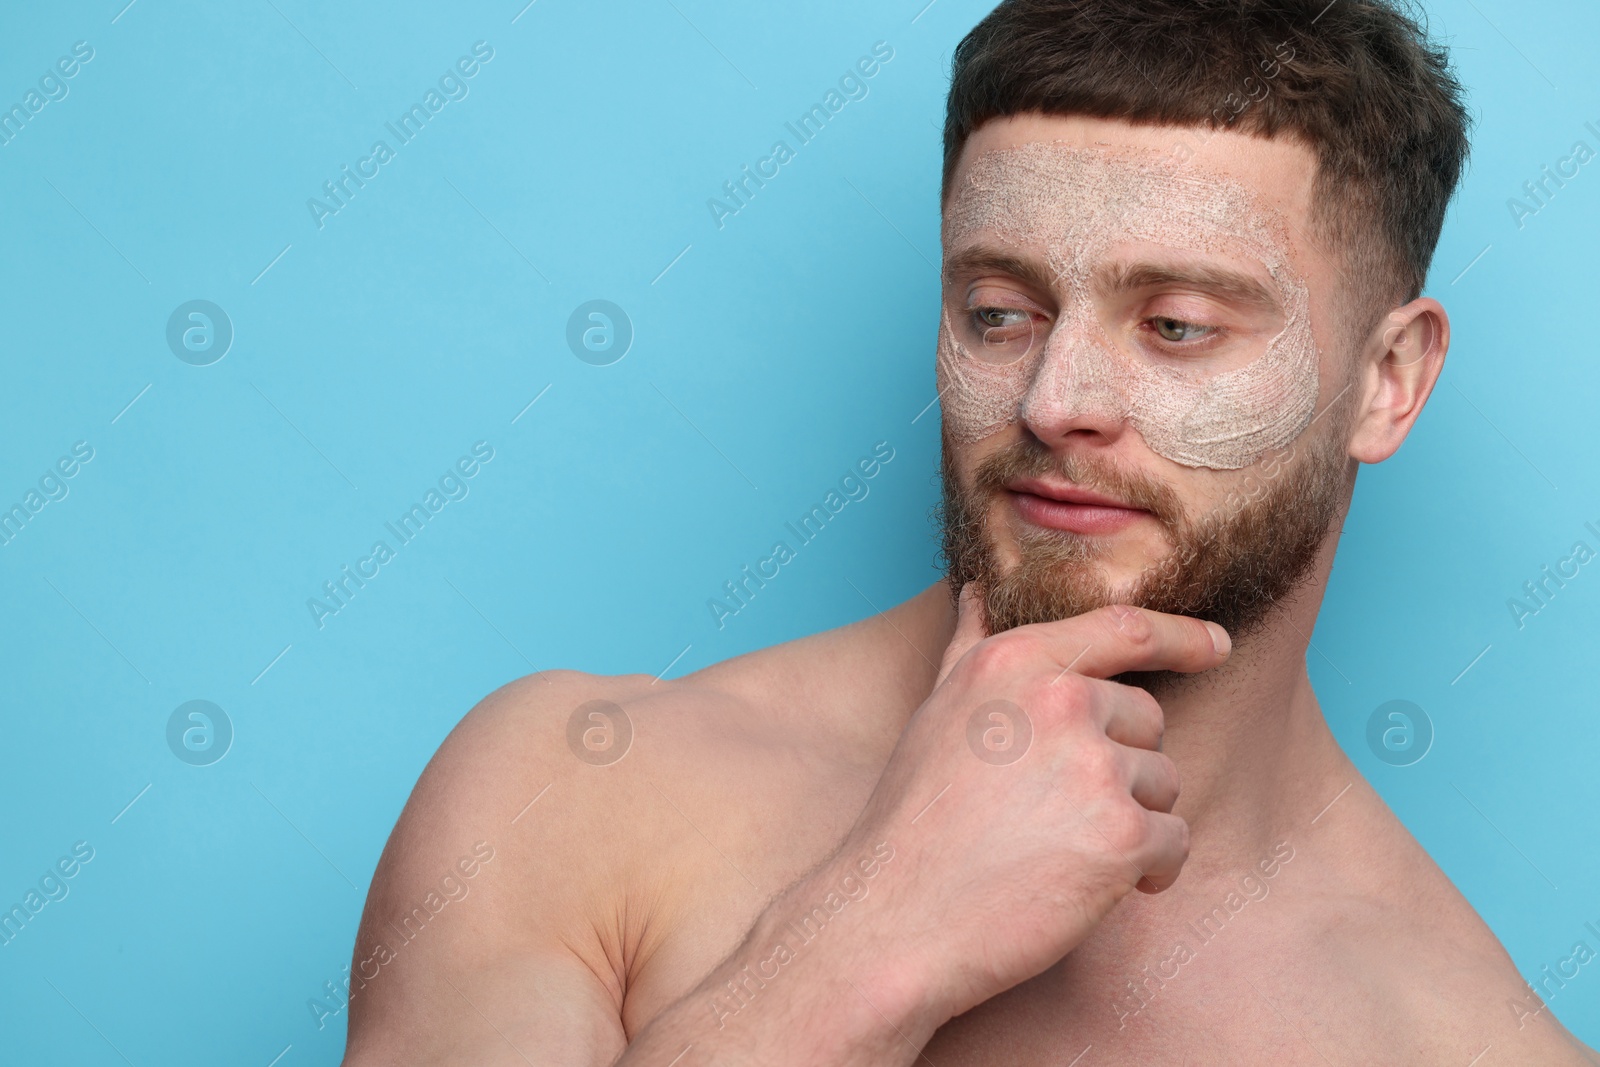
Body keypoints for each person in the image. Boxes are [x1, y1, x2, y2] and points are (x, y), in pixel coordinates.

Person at [340, 1, 1600, 1063]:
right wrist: (862, 942)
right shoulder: (571, 799)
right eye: (999, 310)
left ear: (1389, 380)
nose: (1055, 402)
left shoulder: (1462, 1039)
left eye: (1175, 325)